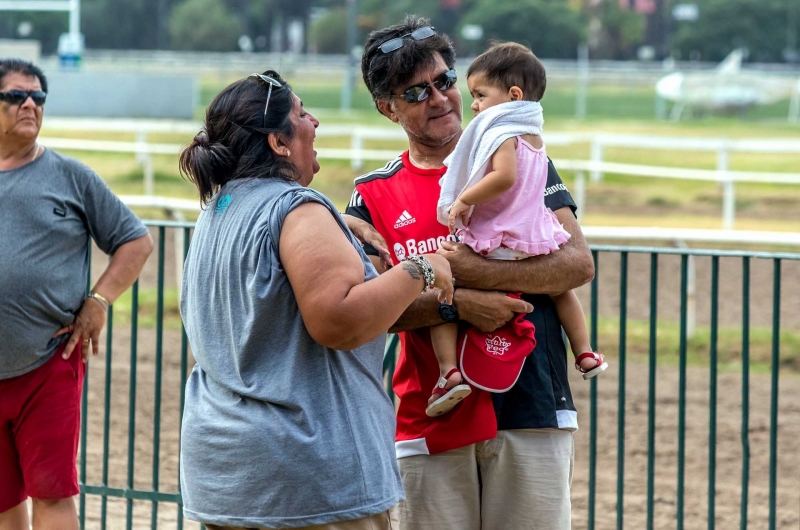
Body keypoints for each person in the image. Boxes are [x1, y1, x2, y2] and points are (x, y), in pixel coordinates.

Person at [347, 17, 595, 529]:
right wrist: (456, 303)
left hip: (531, 406)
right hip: (429, 419)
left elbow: (576, 263)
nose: (439, 99)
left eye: (444, 81)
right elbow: (368, 313)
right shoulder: (370, 195)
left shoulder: (524, 160)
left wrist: (459, 270)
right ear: (386, 108)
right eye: (415, 92)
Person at [178, 70, 453, 530]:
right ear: (279, 144)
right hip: (308, 481)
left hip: (223, 475)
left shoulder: (216, 212)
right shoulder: (297, 207)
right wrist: (420, 269)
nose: (315, 122)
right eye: (302, 113)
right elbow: (338, 321)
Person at [0, 58, 154, 530]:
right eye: (16, 96)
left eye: (38, 97)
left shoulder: (71, 176)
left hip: (48, 362)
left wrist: (99, 301)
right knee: (4, 503)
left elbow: (136, 240)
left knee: (52, 494)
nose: (30, 104)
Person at [426, 42, 607, 417]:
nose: (474, 105)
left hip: (500, 236)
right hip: (534, 235)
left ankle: (449, 371)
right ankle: (585, 351)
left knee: (445, 286)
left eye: (480, 95)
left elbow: (504, 177)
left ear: (513, 96)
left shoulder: (503, 133)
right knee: (561, 291)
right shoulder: (535, 136)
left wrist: (463, 200)